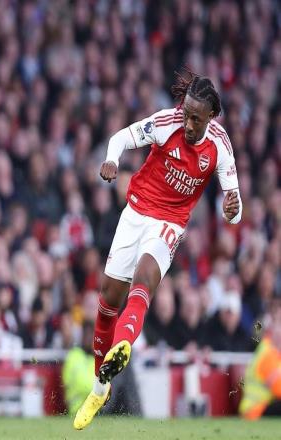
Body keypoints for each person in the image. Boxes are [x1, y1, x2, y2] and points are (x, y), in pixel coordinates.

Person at [74, 70, 242, 430]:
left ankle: (124, 345)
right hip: (136, 212)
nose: (189, 124)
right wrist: (111, 159)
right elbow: (122, 137)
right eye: (187, 114)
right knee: (108, 301)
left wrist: (234, 209)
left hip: (170, 223)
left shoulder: (220, 146)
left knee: (145, 278)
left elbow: (234, 206)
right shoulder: (167, 123)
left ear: (212, 116)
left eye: (196, 118)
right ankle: (100, 387)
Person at [240, 299, 281, 419]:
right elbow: (278, 389)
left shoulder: (272, 351)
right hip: (255, 410)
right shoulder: (267, 353)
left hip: (260, 407)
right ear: (271, 329)